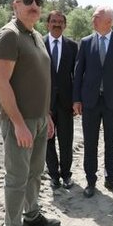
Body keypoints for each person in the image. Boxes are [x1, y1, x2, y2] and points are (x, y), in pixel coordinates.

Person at [0, 0, 61, 226]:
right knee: (17, 177)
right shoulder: (10, 35)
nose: (34, 5)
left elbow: (38, 79)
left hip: (39, 119)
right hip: (19, 121)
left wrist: (46, 115)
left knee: (34, 173)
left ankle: (32, 216)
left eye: (38, 2)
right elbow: (0, 83)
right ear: (15, 5)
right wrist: (19, 123)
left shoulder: (35, 36)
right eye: (28, 1)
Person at [73, 6, 113, 198]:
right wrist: (76, 99)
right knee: (90, 142)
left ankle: (111, 179)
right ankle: (91, 181)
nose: (92, 19)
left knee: (111, 142)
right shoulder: (85, 42)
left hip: (112, 102)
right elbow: (78, 73)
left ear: (108, 21)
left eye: (96, 17)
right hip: (89, 101)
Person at [43, 11, 78, 189]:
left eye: (60, 22)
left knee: (66, 140)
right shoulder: (38, 44)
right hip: (44, 103)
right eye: (53, 21)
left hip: (66, 103)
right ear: (47, 24)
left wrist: (77, 100)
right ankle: (54, 175)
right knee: (48, 140)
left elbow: (77, 76)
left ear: (65, 25)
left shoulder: (73, 46)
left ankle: (66, 175)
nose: (57, 24)